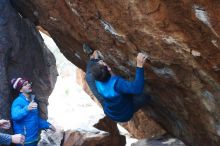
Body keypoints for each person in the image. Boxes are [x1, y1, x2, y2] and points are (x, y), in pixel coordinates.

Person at [84, 43, 151, 122]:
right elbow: (137, 88)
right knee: (145, 93)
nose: (101, 61)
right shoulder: (117, 84)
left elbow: (95, 72)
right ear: (108, 69)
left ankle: (92, 58)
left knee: (88, 77)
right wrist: (139, 65)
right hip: (125, 115)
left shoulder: (97, 79)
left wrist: (95, 60)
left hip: (109, 110)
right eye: (102, 62)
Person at [11, 78, 56, 146]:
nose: (29, 85)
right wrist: (27, 109)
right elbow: (15, 116)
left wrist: (47, 125)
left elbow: (34, 119)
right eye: (25, 84)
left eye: (28, 83)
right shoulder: (18, 102)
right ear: (20, 90)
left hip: (34, 139)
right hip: (24, 142)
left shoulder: (31, 100)